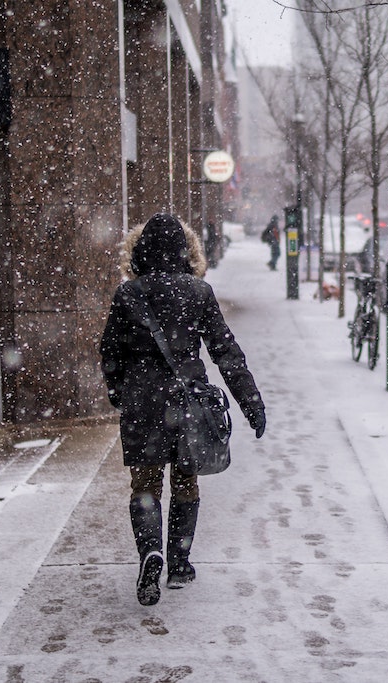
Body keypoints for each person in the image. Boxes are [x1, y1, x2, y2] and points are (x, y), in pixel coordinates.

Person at [99, 212, 267, 606]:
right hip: (187, 401)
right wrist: (251, 403)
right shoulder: (198, 292)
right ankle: (178, 562)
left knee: (145, 484)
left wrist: (119, 390)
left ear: (139, 252)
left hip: (143, 403)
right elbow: (226, 352)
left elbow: (109, 350)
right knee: (186, 481)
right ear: (184, 251)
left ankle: (149, 552)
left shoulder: (129, 294)